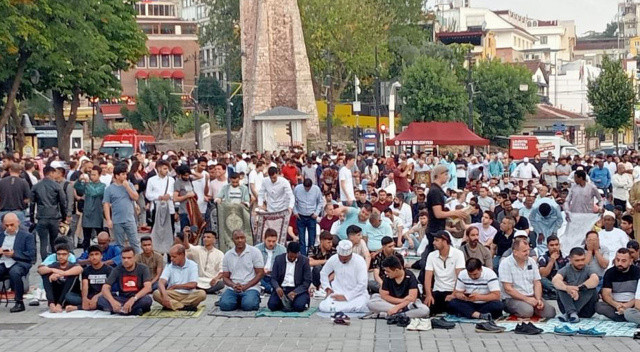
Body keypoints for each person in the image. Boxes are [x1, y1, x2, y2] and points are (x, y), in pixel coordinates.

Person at [499, 237, 556, 319]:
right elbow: (508, 289)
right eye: (524, 251)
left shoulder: (531, 261)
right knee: (527, 311)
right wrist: (527, 299)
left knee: (550, 313)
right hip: (512, 298)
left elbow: (537, 282)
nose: (528, 253)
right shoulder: (505, 263)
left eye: (528, 250)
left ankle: (532, 307)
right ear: (515, 252)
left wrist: (538, 299)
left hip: (531, 295)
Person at [98, 246, 153, 316]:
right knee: (101, 299)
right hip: (122, 298)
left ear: (134, 258)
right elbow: (105, 287)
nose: (126, 260)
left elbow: (148, 287)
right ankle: (132, 311)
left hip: (137, 298)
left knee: (147, 300)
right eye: (123, 258)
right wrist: (112, 302)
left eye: (129, 258)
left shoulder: (143, 268)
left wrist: (133, 299)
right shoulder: (117, 269)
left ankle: (119, 310)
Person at [219, 230, 265, 311]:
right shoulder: (228, 255)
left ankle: (247, 299)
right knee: (225, 305)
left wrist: (245, 287)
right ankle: (237, 300)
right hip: (233, 288)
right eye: (237, 238)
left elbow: (260, 273)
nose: (240, 240)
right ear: (233, 239)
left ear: (245, 239)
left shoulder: (255, 252)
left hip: (251, 287)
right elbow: (225, 277)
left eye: (242, 238)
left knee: (249, 305)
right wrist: (233, 285)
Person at [318, 240, 369, 313]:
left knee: (360, 305)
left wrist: (346, 297)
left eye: (346, 258)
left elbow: (362, 285)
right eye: (341, 258)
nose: (343, 260)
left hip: (356, 295)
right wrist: (327, 288)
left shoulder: (359, 261)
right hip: (337, 294)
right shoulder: (334, 259)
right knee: (324, 306)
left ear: (351, 254)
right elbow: (323, 273)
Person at [426, 165, 467, 253]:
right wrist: (455, 213)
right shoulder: (435, 191)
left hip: (438, 228)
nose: (447, 176)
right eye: (445, 174)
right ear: (438, 175)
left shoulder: (437, 190)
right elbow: (438, 214)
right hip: (435, 230)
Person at [552, 247, 599, 323]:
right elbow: (555, 280)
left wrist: (579, 289)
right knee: (560, 287)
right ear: (570, 260)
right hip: (567, 305)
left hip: (586, 309)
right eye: (577, 260)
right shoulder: (566, 269)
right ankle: (571, 312)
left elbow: (595, 279)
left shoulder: (588, 269)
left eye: (582, 259)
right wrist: (567, 288)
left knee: (592, 288)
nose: (581, 263)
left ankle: (569, 314)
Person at [423, 231, 465, 315]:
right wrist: (428, 295)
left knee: (454, 306)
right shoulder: (431, 255)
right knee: (428, 307)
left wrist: (453, 294)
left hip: (453, 291)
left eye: (436, 240)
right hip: (438, 290)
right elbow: (428, 277)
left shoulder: (458, 254)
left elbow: (459, 277)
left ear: (445, 241)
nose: (433, 243)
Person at [0, 212, 35, 312]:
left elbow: (31, 255)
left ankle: (19, 302)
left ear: (18, 223)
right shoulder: (1, 236)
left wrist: (14, 254)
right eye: (6, 225)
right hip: (3, 261)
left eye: (12, 225)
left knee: (14, 272)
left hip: (20, 262)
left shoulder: (27, 236)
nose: (9, 228)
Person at [153, 244, 206, 311]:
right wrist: (165, 296)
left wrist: (176, 286)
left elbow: (193, 284)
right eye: (171, 257)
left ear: (182, 255)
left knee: (202, 294)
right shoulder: (169, 265)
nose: (171, 259)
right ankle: (183, 307)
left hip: (188, 294)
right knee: (156, 293)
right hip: (173, 293)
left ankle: (172, 305)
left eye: (174, 257)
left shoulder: (192, 265)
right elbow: (161, 282)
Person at [31, 166, 68, 260]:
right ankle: (55, 260)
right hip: (54, 216)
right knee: (54, 241)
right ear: (51, 173)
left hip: (42, 216)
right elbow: (63, 202)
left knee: (43, 242)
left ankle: (44, 262)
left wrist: (32, 218)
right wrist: (64, 216)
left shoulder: (36, 186)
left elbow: (32, 203)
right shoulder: (57, 186)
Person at [104, 163, 141, 253]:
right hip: (117, 220)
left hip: (130, 219)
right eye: (123, 174)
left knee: (135, 242)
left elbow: (136, 197)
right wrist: (108, 220)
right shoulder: (109, 189)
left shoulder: (130, 185)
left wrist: (127, 187)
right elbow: (106, 204)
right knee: (119, 244)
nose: (125, 176)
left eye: (125, 174)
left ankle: (138, 261)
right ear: (116, 176)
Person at [596, 248, 640, 323]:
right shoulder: (610, 273)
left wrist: (627, 305)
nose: (619, 263)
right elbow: (606, 295)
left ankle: (627, 316)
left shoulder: (637, 272)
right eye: (617, 260)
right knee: (599, 306)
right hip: (615, 305)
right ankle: (624, 317)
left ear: (630, 261)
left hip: (633, 305)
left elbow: (638, 296)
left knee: (630, 312)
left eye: (623, 261)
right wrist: (617, 305)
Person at [37, 243, 83, 313]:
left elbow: (80, 269)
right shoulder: (54, 265)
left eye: (64, 254)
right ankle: (51, 304)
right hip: (57, 296)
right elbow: (40, 270)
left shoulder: (72, 265)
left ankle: (59, 304)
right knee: (45, 274)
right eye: (59, 254)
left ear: (68, 255)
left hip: (70, 296)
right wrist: (52, 270)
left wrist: (61, 274)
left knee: (72, 276)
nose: (61, 256)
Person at [268, 242, 311, 312]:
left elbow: (307, 281)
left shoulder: (304, 261)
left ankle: (291, 304)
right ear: (287, 252)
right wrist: (277, 287)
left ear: (298, 253)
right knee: (272, 305)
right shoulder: (279, 259)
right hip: (282, 289)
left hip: (297, 289)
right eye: (291, 257)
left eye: (295, 257)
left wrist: (296, 292)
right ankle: (286, 304)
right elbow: (273, 278)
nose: (293, 259)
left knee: (299, 307)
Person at [74, 166, 105, 252]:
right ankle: (86, 254)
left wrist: (87, 184)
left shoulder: (102, 186)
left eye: (94, 175)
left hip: (97, 214)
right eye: (91, 175)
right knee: (86, 239)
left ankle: (101, 254)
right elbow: (77, 187)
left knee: (100, 237)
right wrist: (79, 180)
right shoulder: (87, 185)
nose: (92, 177)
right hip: (87, 214)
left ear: (99, 175)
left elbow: (95, 192)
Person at [293, 178, 324, 255]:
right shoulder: (297, 189)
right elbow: (292, 200)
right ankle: (303, 256)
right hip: (300, 216)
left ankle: (311, 255)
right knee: (301, 238)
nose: (307, 189)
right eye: (305, 188)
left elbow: (320, 202)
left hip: (311, 216)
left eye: (308, 188)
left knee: (312, 238)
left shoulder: (316, 189)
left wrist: (316, 213)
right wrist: (295, 212)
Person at [81, 245, 113, 311]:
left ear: (101, 256)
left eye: (96, 254)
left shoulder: (109, 270)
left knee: (105, 300)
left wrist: (96, 297)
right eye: (91, 255)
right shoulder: (86, 270)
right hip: (90, 295)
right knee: (70, 298)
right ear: (89, 257)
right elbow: (85, 286)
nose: (94, 257)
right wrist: (84, 299)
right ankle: (88, 304)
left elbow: (109, 287)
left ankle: (78, 307)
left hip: (104, 295)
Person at [537, 235, 568, 300]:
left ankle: (558, 291)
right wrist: (552, 261)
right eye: (552, 245)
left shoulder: (565, 256)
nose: (554, 247)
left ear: (559, 245)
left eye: (556, 245)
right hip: (550, 283)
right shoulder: (543, 257)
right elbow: (543, 274)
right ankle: (559, 291)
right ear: (547, 246)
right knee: (541, 279)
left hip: (562, 281)